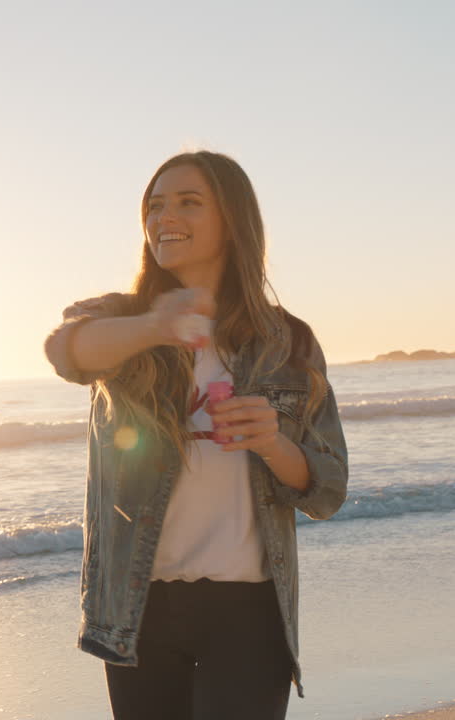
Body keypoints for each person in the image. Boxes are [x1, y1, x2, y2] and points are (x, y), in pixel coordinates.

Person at [42, 150, 349, 719]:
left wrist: (274, 443)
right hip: (140, 606)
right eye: (155, 206)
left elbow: (328, 489)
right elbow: (66, 353)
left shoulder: (288, 342)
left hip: (251, 607)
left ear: (232, 220)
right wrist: (156, 325)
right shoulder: (120, 317)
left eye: (188, 202)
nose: (165, 217)